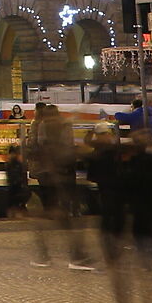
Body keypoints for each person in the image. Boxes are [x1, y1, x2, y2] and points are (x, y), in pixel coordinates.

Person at [88, 126, 152, 303]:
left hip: (136, 226)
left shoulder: (147, 163)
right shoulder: (108, 160)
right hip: (120, 225)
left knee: (143, 275)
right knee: (125, 275)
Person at [24, 102, 93, 270]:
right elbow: (63, 148)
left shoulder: (41, 126)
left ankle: (48, 255)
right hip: (56, 174)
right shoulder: (58, 126)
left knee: (53, 213)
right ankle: (73, 256)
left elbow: (35, 147)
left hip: (49, 174)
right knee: (57, 214)